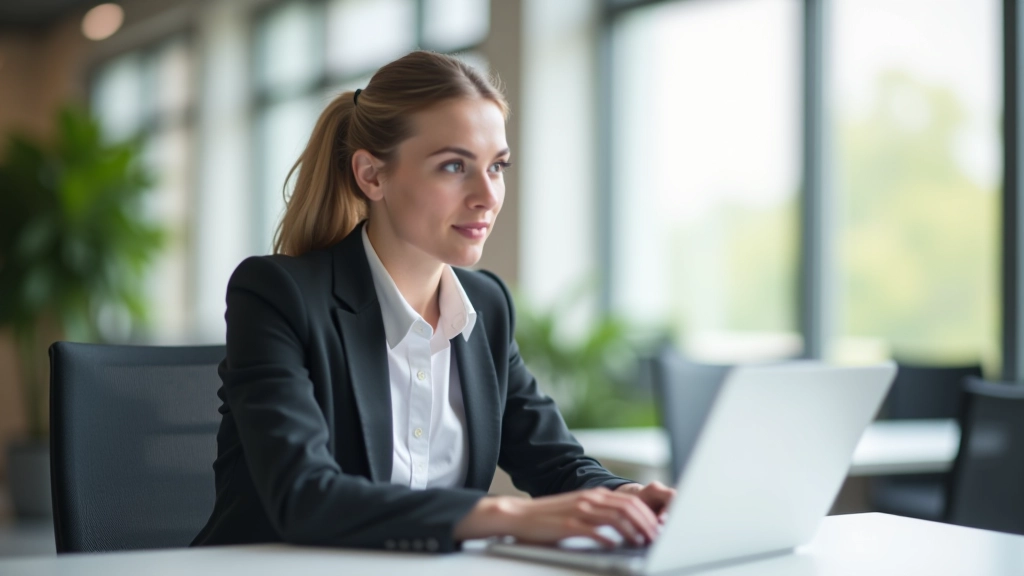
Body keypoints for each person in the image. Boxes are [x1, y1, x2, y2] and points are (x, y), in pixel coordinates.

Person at [192, 50, 674, 553]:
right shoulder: (276, 295)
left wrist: (628, 497)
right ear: (371, 175)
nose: (487, 195)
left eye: (497, 166)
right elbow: (304, 496)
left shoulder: (485, 307)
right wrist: (505, 515)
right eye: (453, 166)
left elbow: (557, 463)